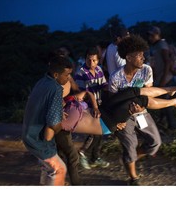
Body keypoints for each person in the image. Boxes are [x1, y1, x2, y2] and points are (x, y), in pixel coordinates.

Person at [108, 34, 176, 185]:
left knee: (155, 143)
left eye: (143, 54)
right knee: (130, 145)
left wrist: (141, 108)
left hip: (141, 113)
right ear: (129, 57)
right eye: (139, 55)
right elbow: (113, 103)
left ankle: (132, 157)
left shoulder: (146, 70)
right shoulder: (115, 77)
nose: (143, 58)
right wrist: (118, 121)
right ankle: (133, 177)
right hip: (124, 117)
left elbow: (148, 94)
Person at [22, 56, 72, 186]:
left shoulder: (42, 81)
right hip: (38, 140)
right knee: (59, 169)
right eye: (66, 75)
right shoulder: (56, 89)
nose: (68, 79)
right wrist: (63, 123)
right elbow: (54, 123)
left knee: (47, 168)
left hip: (29, 134)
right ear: (56, 74)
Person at [49, 49, 83, 185]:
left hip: (64, 119)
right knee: (71, 155)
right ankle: (76, 184)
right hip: (58, 122)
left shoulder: (66, 77)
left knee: (61, 153)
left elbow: (75, 89)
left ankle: (60, 182)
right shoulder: (52, 83)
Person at [74, 47, 110, 169]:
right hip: (88, 106)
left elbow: (104, 85)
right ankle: (82, 152)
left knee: (100, 132)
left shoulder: (99, 70)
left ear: (98, 61)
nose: (91, 62)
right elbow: (81, 92)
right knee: (93, 133)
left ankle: (95, 157)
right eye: (89, 60)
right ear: (85, 59)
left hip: (99, 104)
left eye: (94, 60)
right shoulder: (81, 72)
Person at [147, 26, 176, 134]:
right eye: (149, 35)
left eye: (152, 35)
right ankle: (162, 123)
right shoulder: (156, 46)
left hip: (166, 79)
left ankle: (172, 127)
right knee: (161, 102)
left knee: (166, 103)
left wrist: (163, 80)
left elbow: (167, 62)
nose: (150, 37)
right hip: (160, 78)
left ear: (157, 35)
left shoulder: (162, 45)